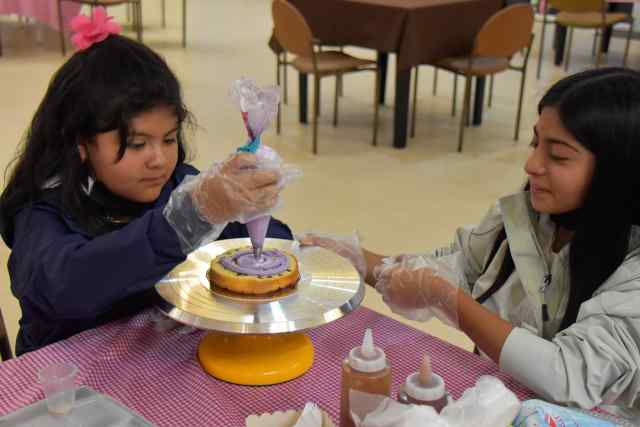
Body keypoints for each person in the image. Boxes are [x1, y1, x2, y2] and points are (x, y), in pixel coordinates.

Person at [302, 68, 640, 421]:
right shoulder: (525, 220)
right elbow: (456, 268)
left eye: (557, 156)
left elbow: (568, 375)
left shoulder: (632, 271)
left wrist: (452, 302)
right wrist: (354, 260)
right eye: (535, 143)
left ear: (617, 170)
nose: (532, 165)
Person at [0, 9, 292, 355]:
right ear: (81, 144)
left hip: (152, 364)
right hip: (69, 384)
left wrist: (256, 215)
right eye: (137, 144)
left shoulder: (178, 184)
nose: (159, 159)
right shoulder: (43, 211)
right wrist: (186, 221)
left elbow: (267, 249)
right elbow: (64, 287)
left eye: (169, 139)